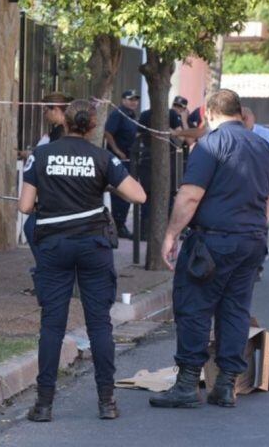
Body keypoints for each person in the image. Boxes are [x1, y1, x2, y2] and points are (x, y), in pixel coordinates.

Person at [149, 89, 269, 410]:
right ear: (238, 112)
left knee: (194, 306)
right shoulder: (262, 146)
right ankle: (225, 386)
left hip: (214, 241)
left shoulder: (210, 144)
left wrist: (171, 235)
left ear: (209, 114)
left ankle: (187, 385)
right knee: (235, 310)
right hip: (251, 241)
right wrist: (252, 230)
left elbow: (190, 195)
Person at [19, 99, 146, 421]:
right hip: (93, 247)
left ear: (64, 122)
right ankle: (107, 402)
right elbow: (138, 195)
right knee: (99, 324)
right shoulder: (102, 157)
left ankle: (44, 404)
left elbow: (24, 206)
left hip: (53, 246)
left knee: (52, 325)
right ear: (92, 125)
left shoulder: (42, 155)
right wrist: (107, 183)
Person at [21, 91, 73, 291]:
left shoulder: (62, 133)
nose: (44, 113)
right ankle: (47, 277)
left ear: (58, 109)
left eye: (47, 109)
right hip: (52, 197)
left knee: (33, 230)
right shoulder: (56, 132)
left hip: (55, 198)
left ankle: (48, 278)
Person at [137, 96, 185, 239]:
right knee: (157, 196)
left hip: (156, 159)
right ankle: (152, 232)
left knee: (159, 196)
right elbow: (181, 139)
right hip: (158, 160)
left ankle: (153, 232)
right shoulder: (163, 114)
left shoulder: (163, 114)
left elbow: (180, 139)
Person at [104, 89, 140, 238]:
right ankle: (118, 225)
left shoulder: (131, 115)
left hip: (129, 158)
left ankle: (120, 224)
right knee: (121, 192)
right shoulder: (118, 114)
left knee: (126, 192)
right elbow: (108, 133)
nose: (134, 102)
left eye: (136, 99)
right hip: (119, 159)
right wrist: (117, 151)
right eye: (130, 99)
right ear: (123, 100)